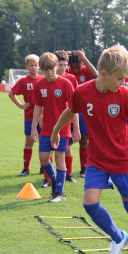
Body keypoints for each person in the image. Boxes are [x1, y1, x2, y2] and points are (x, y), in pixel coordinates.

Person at [50, 44, 128, 254]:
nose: (124, 83)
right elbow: (71, 111)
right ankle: (118, 237)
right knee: (90, 204)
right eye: (120, 78)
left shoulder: (124, 94)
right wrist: (56, 130)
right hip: (97, 160)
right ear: (103, 74)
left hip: (122, 160)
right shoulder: (82, 92)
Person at [30, 52, 75, 203]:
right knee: (43, 158)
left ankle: (60, 193)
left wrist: (77, 129)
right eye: (46, 70)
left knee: (59, 157)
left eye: (52, 69)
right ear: (41, 70)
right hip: (46, 129)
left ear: (57, 66)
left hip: (63, 128)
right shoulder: (39, 85)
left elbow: (74, 108)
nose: (49, 72)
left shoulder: (65, 84)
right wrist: (34, 126)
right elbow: (37, 106)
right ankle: (55, 180)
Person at [8, 54, 44, 176]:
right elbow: (11, 94)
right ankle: (26, 168)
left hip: (43, 117)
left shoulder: (43, 80)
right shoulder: (23, 81)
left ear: (39, 66)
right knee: (29, 141)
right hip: (29, 116)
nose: (34, 68)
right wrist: (21, 105)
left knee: (43, 141)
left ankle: (43, 168)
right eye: (31, 65)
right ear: (26, 66)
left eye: (36, 65)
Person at [66, 49, 98, 178]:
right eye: (72, 67)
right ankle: (67, 171)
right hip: (70, 111)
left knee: (84, 140)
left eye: (77, 67)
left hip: (85, 111)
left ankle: (84, 169)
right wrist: (61, 56)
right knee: (68, 142)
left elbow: (96, 75)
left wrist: (84, 58)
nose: (74, 70)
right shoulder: (66, 71)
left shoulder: (86, 70)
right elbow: (54, 69)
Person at [55, 50, 81, 182]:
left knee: (68, 148)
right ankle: (48, 177)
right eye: (60, 64)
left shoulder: (71, 79)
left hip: (67, 121)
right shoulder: (46, 79)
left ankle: (68, 174)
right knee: (49, 149)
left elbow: (74, 104)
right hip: (51, 120)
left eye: (65, 65)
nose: (63, 68)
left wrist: (76, 127)